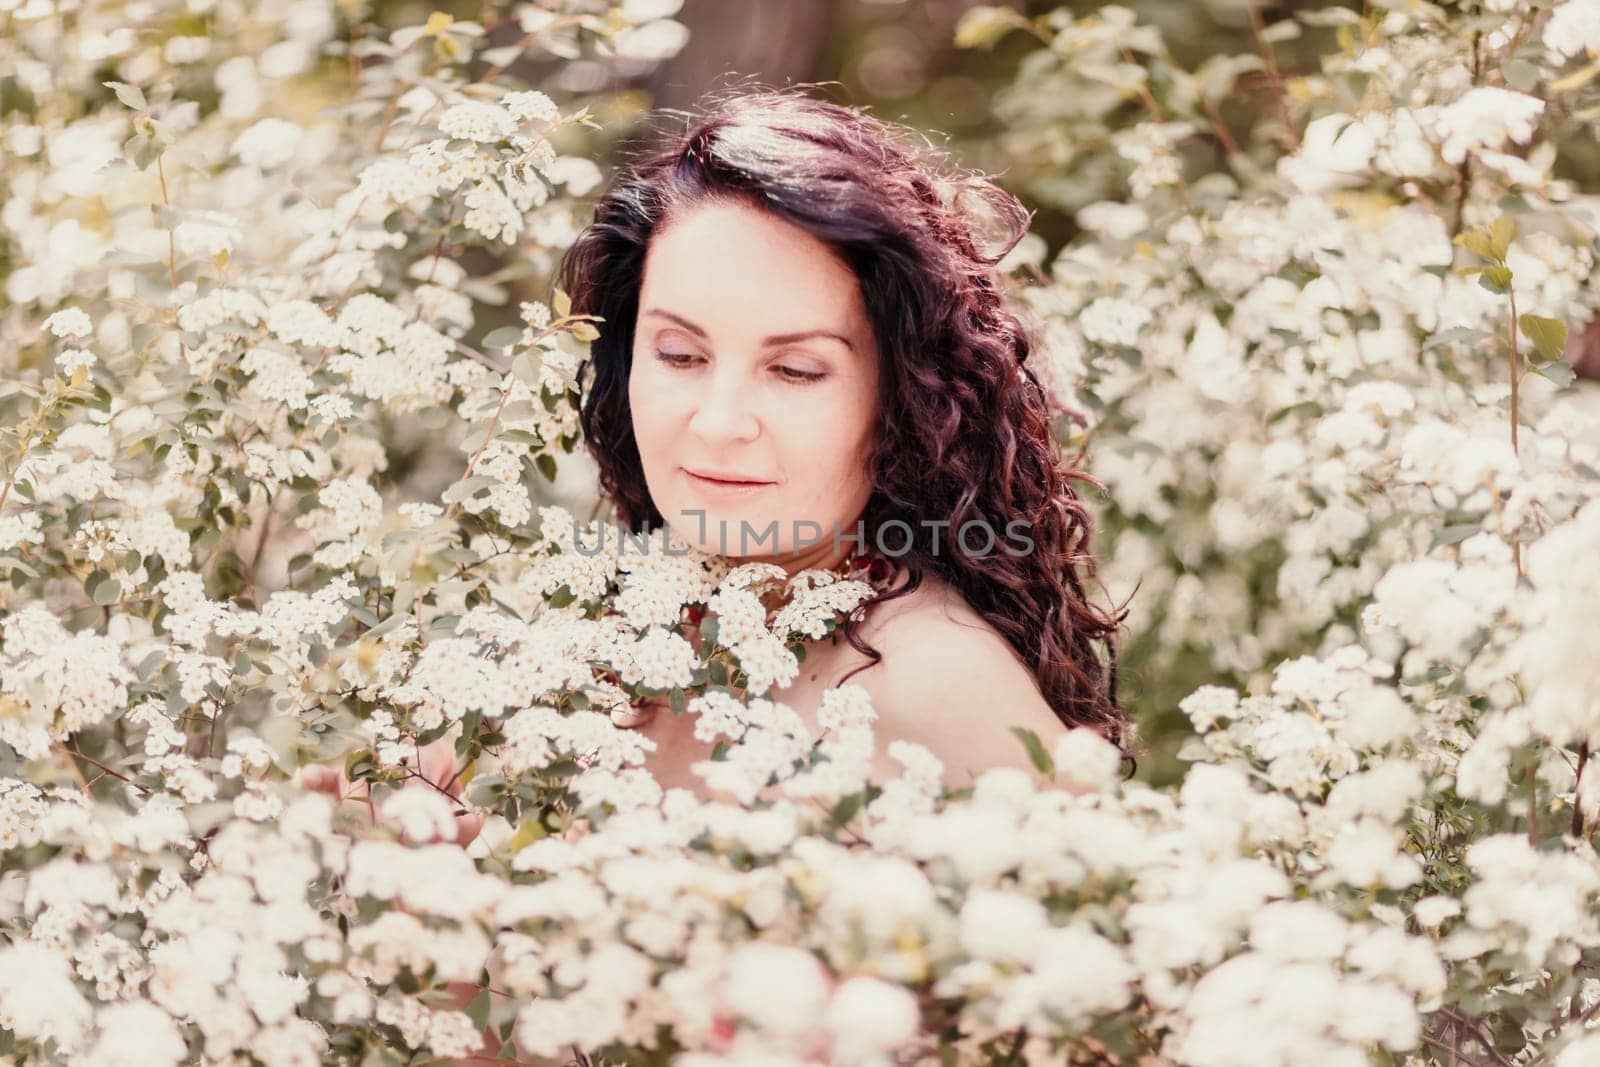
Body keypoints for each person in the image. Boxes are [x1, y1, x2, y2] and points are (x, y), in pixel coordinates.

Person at [304, 85, 1134, 1066]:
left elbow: (1121, 1026)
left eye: (795, 370)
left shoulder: (931, 678)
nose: (717, 419)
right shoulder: (592, 641)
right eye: (681, 353)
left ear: (899, 394)